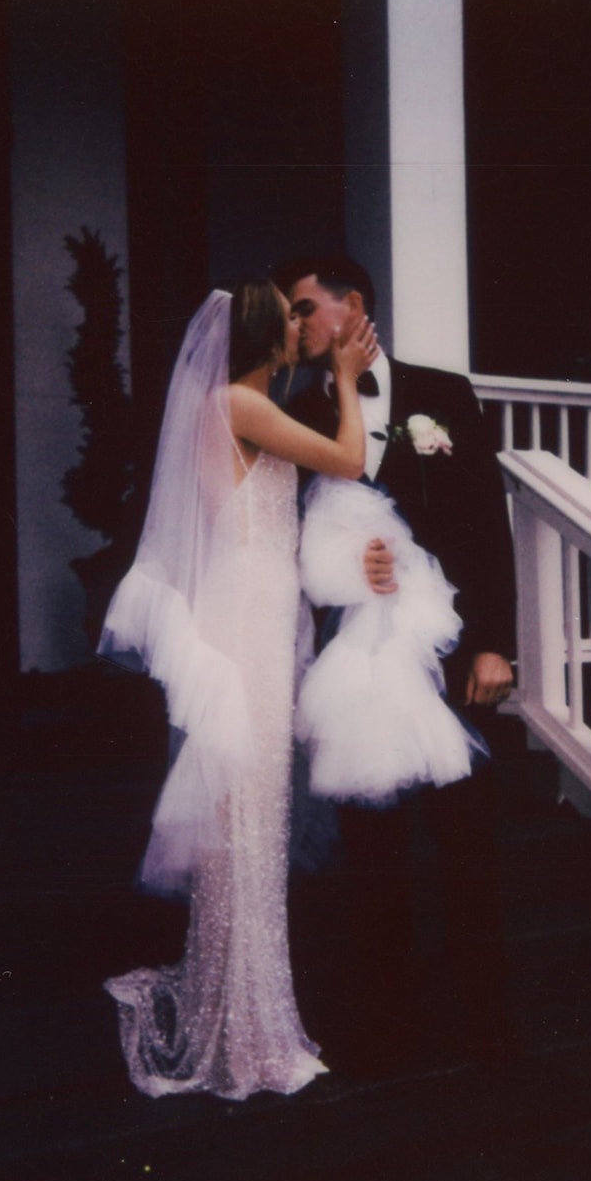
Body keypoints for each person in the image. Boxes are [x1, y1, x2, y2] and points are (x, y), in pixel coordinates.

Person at [97, 280, 380, 1100]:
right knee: (248, 808)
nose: (302, 328)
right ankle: (245, 1032)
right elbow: (349, 459)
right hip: (249, 611)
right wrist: (351, 388)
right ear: (267, 336)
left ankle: (241, 1004)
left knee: (250, 809)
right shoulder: (239, 404)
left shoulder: (242, 403)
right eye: (291, 319)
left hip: (256, 600)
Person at [277, 254, 519, 1076]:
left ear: (354, 309)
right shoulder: (294, 406)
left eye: (306, 309)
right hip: (356, 655)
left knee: (466, 841)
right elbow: (295, 534)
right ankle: (387, 1027)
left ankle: (486, 1024)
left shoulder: (442, 393)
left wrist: (494, 641)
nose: (296, 325)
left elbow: (487, 520)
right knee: (371, 845)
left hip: (448, 647)